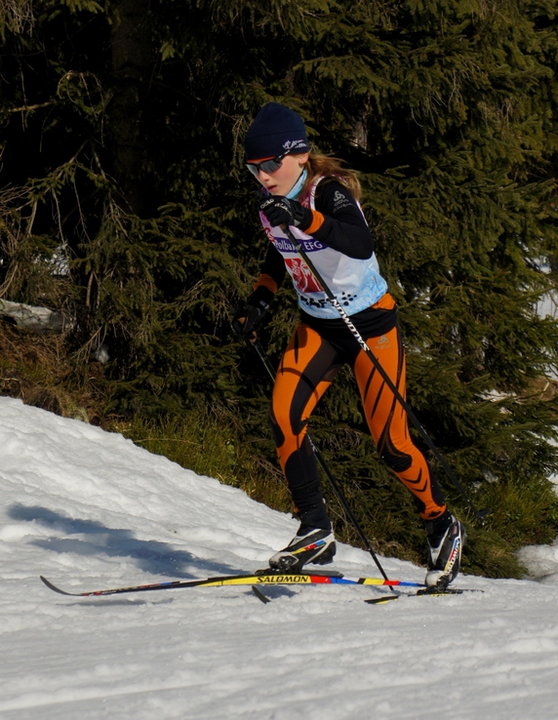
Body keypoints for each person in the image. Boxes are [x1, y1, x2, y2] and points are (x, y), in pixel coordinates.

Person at [234, 101, 465, 588]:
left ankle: (440, 523)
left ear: (298, 155)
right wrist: (260, 299)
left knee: (392, 444)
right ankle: (314, 528)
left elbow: (359, 242)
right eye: (253, 167)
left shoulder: (327, 191)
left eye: (270, 165)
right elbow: (280, 254)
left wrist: (302, 216)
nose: (262, 176)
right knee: (285, 416)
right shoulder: (270, 202)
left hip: (370, 325)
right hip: (318, 325)